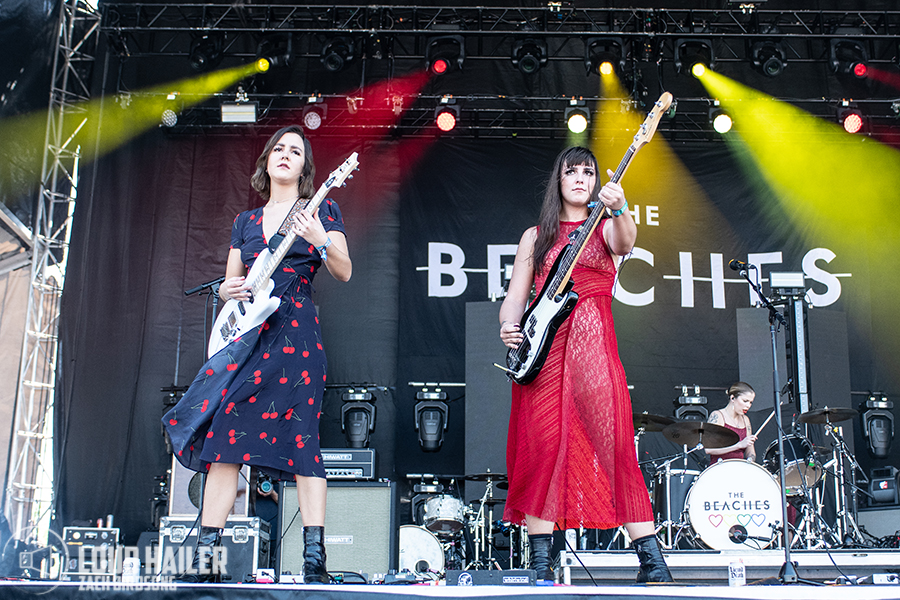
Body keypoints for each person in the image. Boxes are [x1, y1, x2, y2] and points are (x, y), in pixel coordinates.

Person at [163, 125, 351, 584]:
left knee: (304, 440)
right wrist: (228, 288)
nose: (286, 155)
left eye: (295, 151)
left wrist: (320, 237)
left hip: (297, 335)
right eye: (279, 149)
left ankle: (313, 561)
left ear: (305, 167)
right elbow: (234, 285)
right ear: (267, 161)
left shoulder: (321, 207)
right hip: (250, 338)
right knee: (224, 437)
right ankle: (207, 557)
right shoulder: (245, 222)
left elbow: (344, 270)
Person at [498, 146, 672, 584]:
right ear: (558, 181)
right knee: (541, 451)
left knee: (615, 449)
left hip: (594, 351)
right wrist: (508, 326)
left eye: (588, 172)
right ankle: (540, 565)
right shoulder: (534, 236)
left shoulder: (606, 226)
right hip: (545, 353)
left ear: (596, 182)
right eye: (571, 171)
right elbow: (516, 296)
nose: (580, 178)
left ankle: (652, 561)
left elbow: (626, 242)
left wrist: (622, 206)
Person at [705, 382, 758, 464]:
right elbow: (708, 449)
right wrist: (739, 445)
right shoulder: (717, 416)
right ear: (732, 398)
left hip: (739, 469)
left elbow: (750, 451)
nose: (748, 405)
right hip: (719, 470)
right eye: (745, 401)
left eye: (751, 402)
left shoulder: (746, 420)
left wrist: (751, 459)